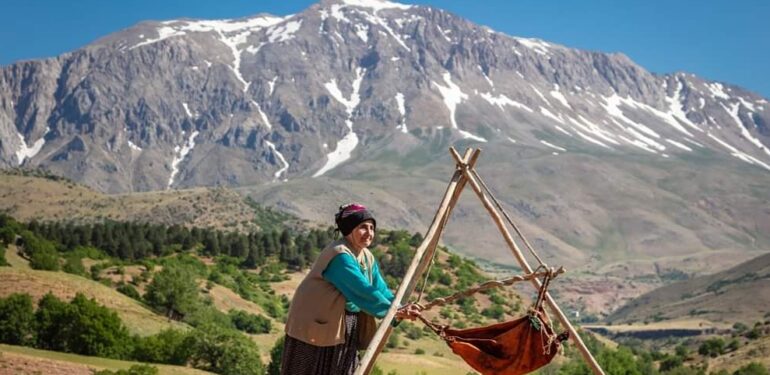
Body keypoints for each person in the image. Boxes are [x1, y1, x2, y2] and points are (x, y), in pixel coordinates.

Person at [281, 203, 419, 375]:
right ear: (349, 229)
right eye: (362, 227)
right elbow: (363, 291)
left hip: (344, 325)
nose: (369, 233)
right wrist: (394, 311)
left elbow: (380, 289)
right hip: (314, 325)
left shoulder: (366, 256)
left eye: (371, 228)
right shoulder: (339, 256)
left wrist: (399, 307)